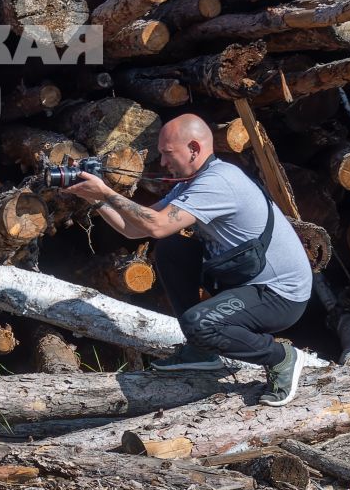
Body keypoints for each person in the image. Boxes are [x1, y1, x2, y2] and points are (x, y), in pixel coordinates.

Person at [65, 114, 313, 405]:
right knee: (171, 246)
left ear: (194, 148)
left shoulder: (219, 182)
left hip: (281, 296)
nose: (162, 163)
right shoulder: (194, 181)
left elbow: (155, 223)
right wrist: (93, 198)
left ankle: (282, 358)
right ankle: (201, 352)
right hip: (246, 281)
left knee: (201, 324)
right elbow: (135, 229)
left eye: (167, 153)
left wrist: (106, 192)